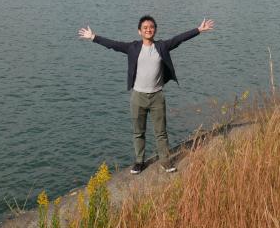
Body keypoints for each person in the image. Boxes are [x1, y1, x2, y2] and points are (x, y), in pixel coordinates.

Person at [78, 16, 215, 174]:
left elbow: (179, 39)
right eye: (145, 27)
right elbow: (113, 45)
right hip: (138, 97)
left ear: (155, 30)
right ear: (139, 31)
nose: (148, 29)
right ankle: (139, 162)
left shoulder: (162, 46)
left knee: (161, 132)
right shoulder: (132, 48)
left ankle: (165, 161)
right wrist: (93, 37)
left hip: (157, 96)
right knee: (138, 131)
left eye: (151, 27)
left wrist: (198, 29)